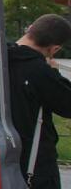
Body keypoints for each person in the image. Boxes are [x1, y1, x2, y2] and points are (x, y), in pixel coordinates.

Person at [7, 14, 71, 189]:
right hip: (35, 162)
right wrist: (55, 73)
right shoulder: (41, 72)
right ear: (54, 49)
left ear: (29, 29)